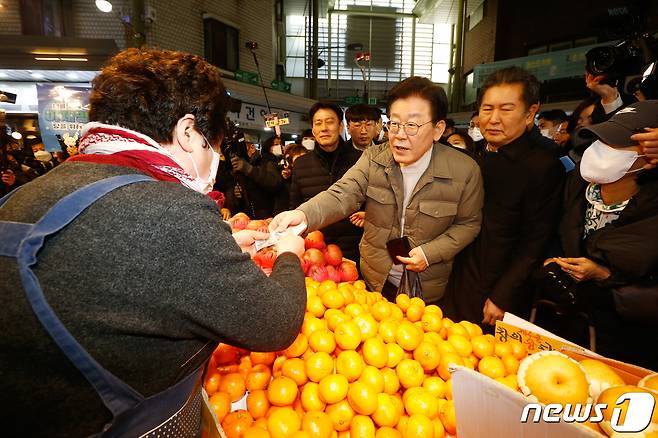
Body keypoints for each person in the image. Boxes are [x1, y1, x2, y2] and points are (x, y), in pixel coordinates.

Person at [0, 48, 306, 437]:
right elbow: (276, 323)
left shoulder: (28, 193)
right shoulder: (173, 208)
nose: (214, 162)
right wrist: (289, 256)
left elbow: (110, 258)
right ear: (187, 131)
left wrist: (218, 242)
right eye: (211, 144)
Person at [273, 77, 484, 304]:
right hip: (376, 281)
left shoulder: (464, 171)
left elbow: (468, 224)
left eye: (412, 125)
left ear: (437, 129)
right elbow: (344, 192)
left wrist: (429, 253)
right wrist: (303, 214)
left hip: (427, 286)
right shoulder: (374, 158)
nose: (399, 134)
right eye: (393, 123)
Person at [441, 66, 565, 328]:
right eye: (487, 109)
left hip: (496, 290)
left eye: (506, 109)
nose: (493, 119)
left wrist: (502, 295)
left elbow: (535, 242)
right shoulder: (477, 157)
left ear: (530, 112)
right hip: (457, 276)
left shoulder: (542, 166)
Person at [543, 100, 658, 370]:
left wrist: (603, 276)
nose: (600, 152)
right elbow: (553, 231)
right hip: (572, 329)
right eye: (600, 141)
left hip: (634, 342)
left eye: (616, 145)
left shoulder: (649, 209)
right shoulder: (577, 187)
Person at [288, 102, 364, 261]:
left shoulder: (361, 161)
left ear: (341, 126)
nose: (324, 128)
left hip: (355, 250)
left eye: (329, 122)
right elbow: (294, 206)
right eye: (318, 123)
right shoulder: (301, 164)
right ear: (313, 130)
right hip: (315, 251)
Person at [227, 132, 284, 219]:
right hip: (247, 218)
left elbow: (275, 183)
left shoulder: (266, 160)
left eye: (241, 147)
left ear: (252, 147)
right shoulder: (238, 166)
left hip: (269, 217)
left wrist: (249, 169)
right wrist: (236, 193)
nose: (239, 151)